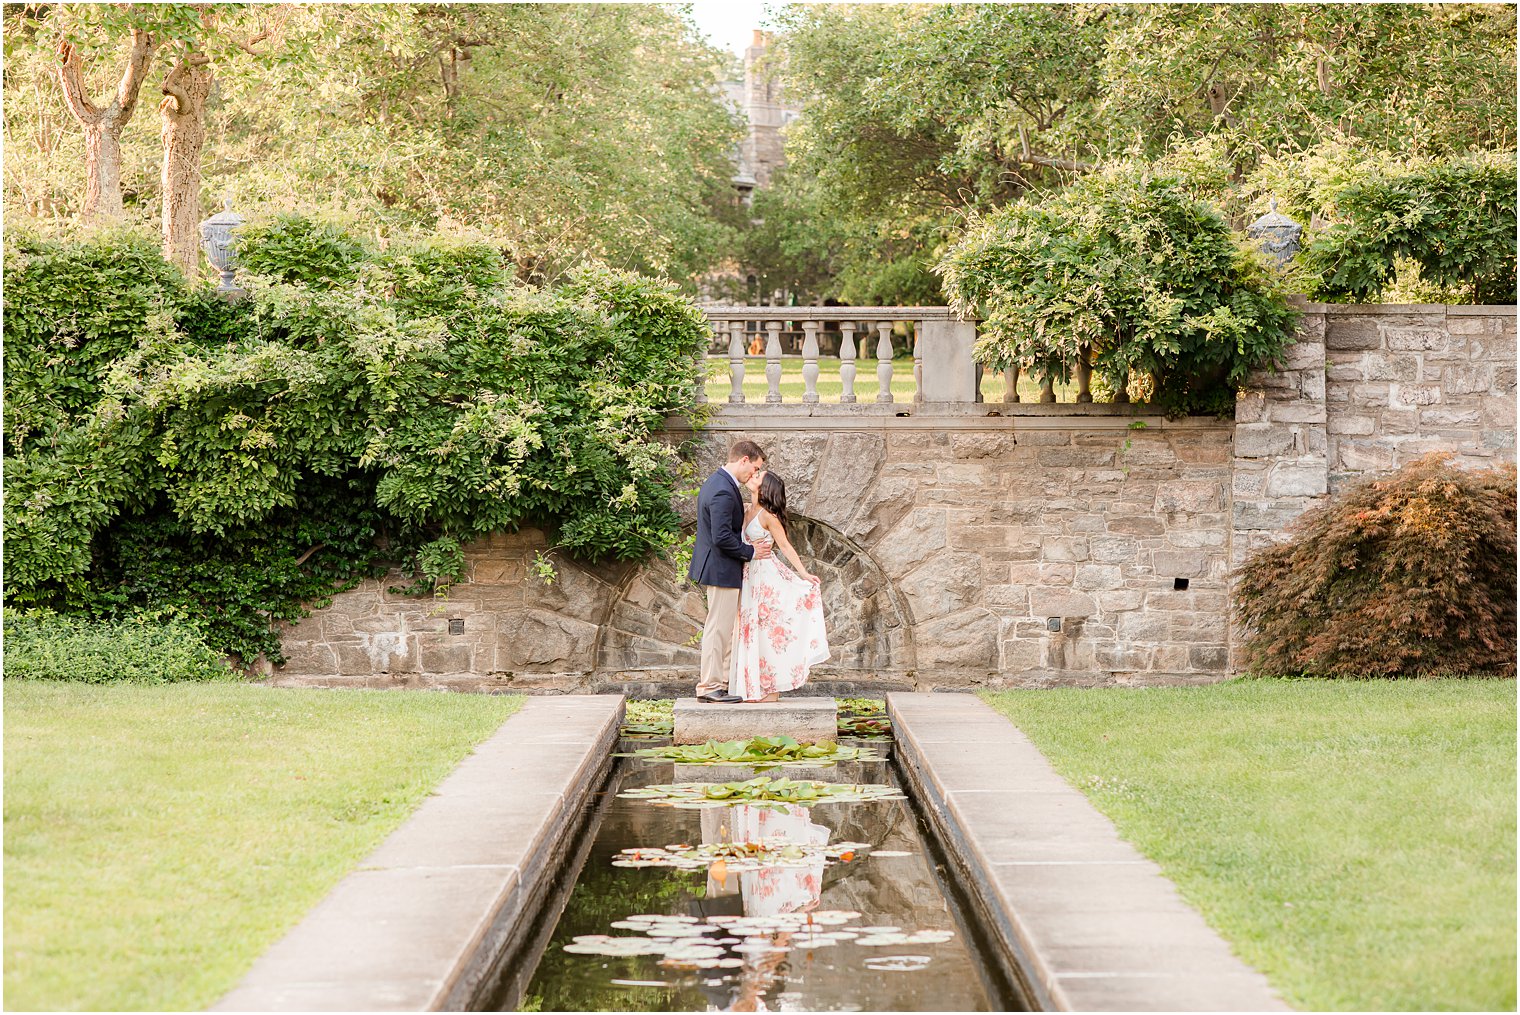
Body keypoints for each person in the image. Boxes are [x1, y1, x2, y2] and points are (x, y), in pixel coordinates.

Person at [731, 470, 830, 703]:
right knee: (749, 629)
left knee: (765, 631)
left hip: (765, 577)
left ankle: (771, 689)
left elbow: (784, 546)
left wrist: (803, 573)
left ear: (763, 489)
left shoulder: (768, 516)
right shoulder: (746, 509)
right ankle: (750, 687)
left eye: (758, 476)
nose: (753, 476)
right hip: (748, 575)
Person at [689, 441, 773, 704]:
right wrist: (750, 552)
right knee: (718, 629)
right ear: (744, 460)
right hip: (720, 568)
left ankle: (720, 684)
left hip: (722, 567)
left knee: (724, 629)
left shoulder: (719, 483)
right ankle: (710, 686)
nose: (754, 474)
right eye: (755, 468)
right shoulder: (723, 491)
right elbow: (722, 536)